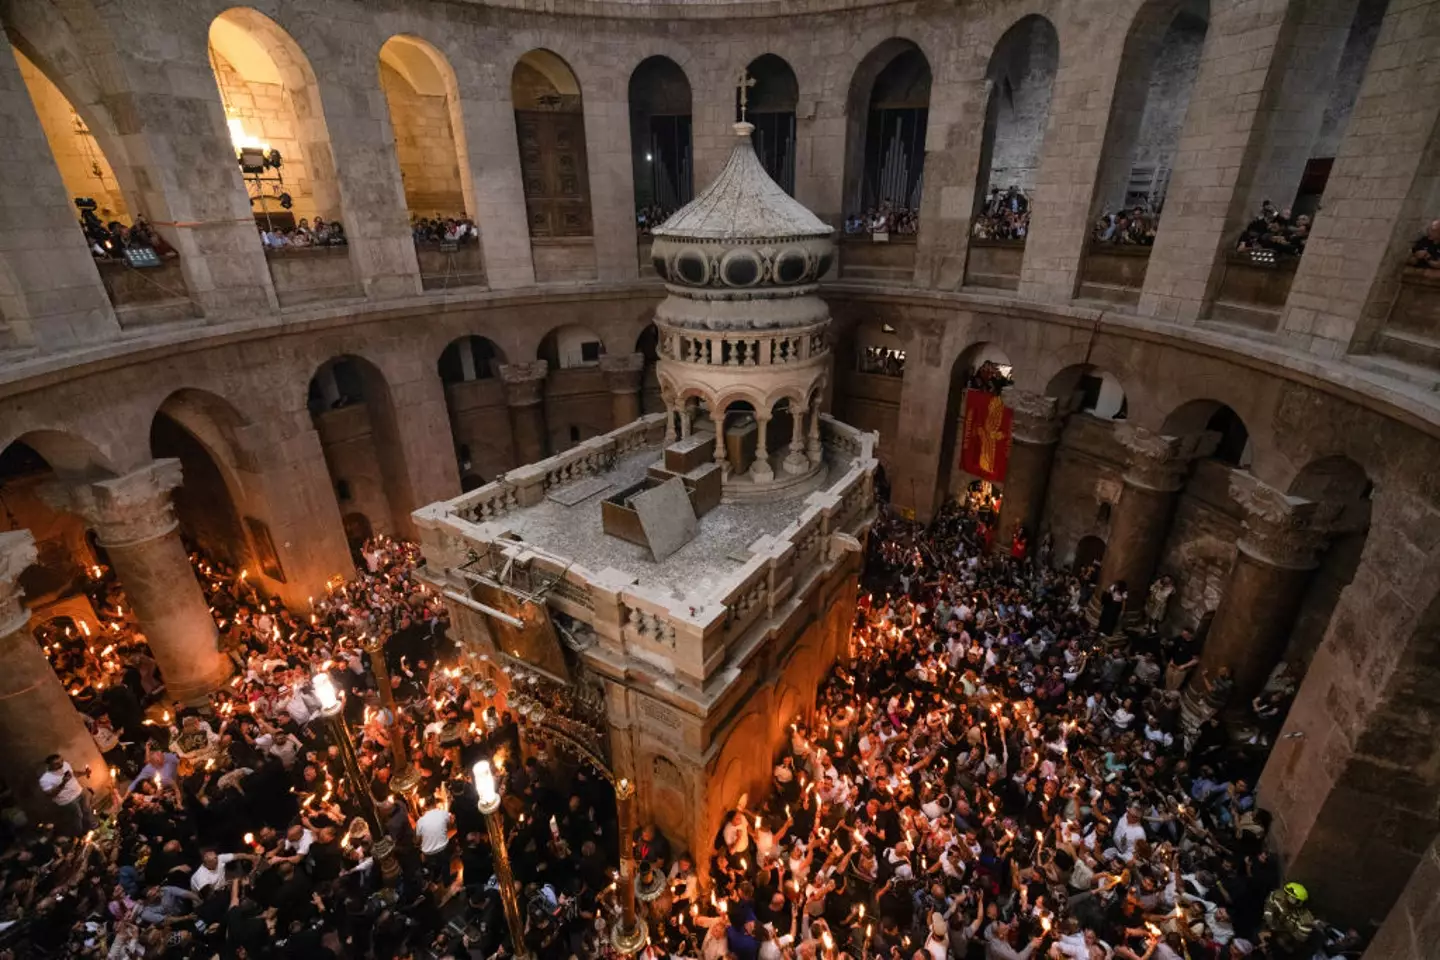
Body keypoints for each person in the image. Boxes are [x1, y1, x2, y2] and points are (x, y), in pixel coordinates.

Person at [38, 753, 94, 835]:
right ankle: (80, 835)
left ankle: (93, 828)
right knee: (78, 817)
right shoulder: (45, 779)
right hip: (68, 801)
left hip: (79, 792)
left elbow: (73, 774)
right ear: (49, 765)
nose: (61, 764)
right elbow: (51, 795)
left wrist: (84, 773)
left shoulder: (65, 765)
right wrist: (63, 782)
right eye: (57, 764)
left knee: (86, 811)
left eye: (61, 761)